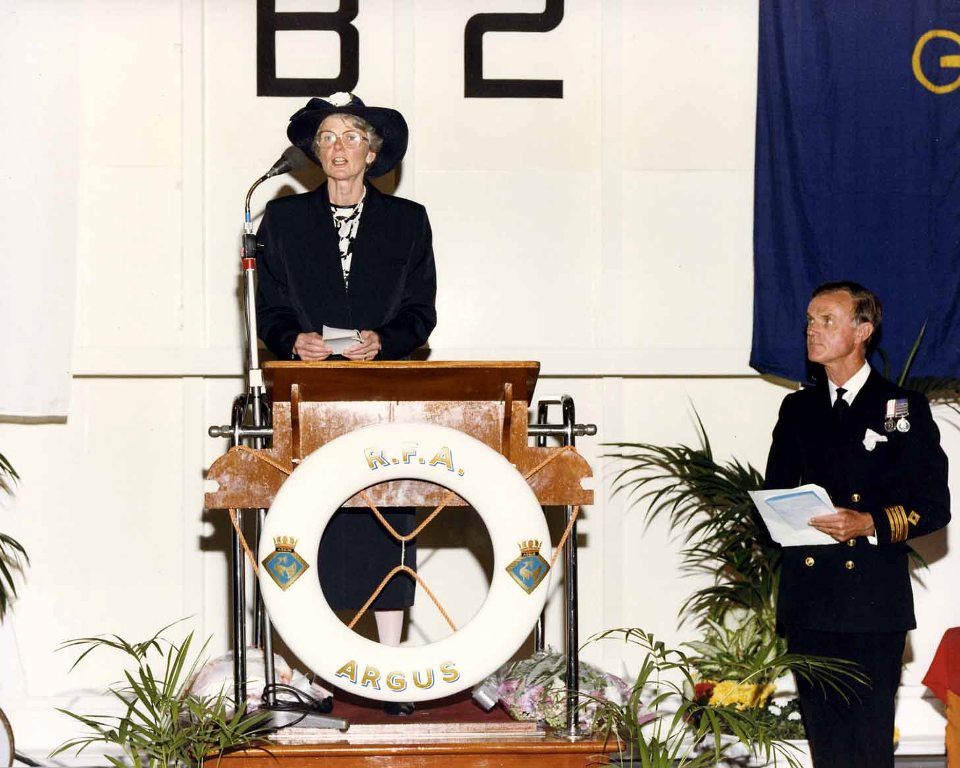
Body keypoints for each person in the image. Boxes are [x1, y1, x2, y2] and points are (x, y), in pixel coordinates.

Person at [256, 93, 437, 715]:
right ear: (314, 152)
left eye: (351, 136)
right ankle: (309, 672)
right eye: (327, 137)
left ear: (373, 150)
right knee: (305, 524)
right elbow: (271, 310)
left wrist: (385, 341)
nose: (337, 147)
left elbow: (422, 311)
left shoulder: (409, 220)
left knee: (385, 520)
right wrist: (290, 340)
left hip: (382, 396)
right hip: (306, 398)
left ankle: (387, 671)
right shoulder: (280, 222)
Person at [764, 280, 950, 766]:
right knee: (826, 748)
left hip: (871, 605)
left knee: (866, 749)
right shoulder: (797, 408)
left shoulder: (902, 408)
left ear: (862, 330)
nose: (813, 330)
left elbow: (934, 505)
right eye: (809, 320)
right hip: (810, 604)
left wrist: (868, 522)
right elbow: (772, 495)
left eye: (827, 320)